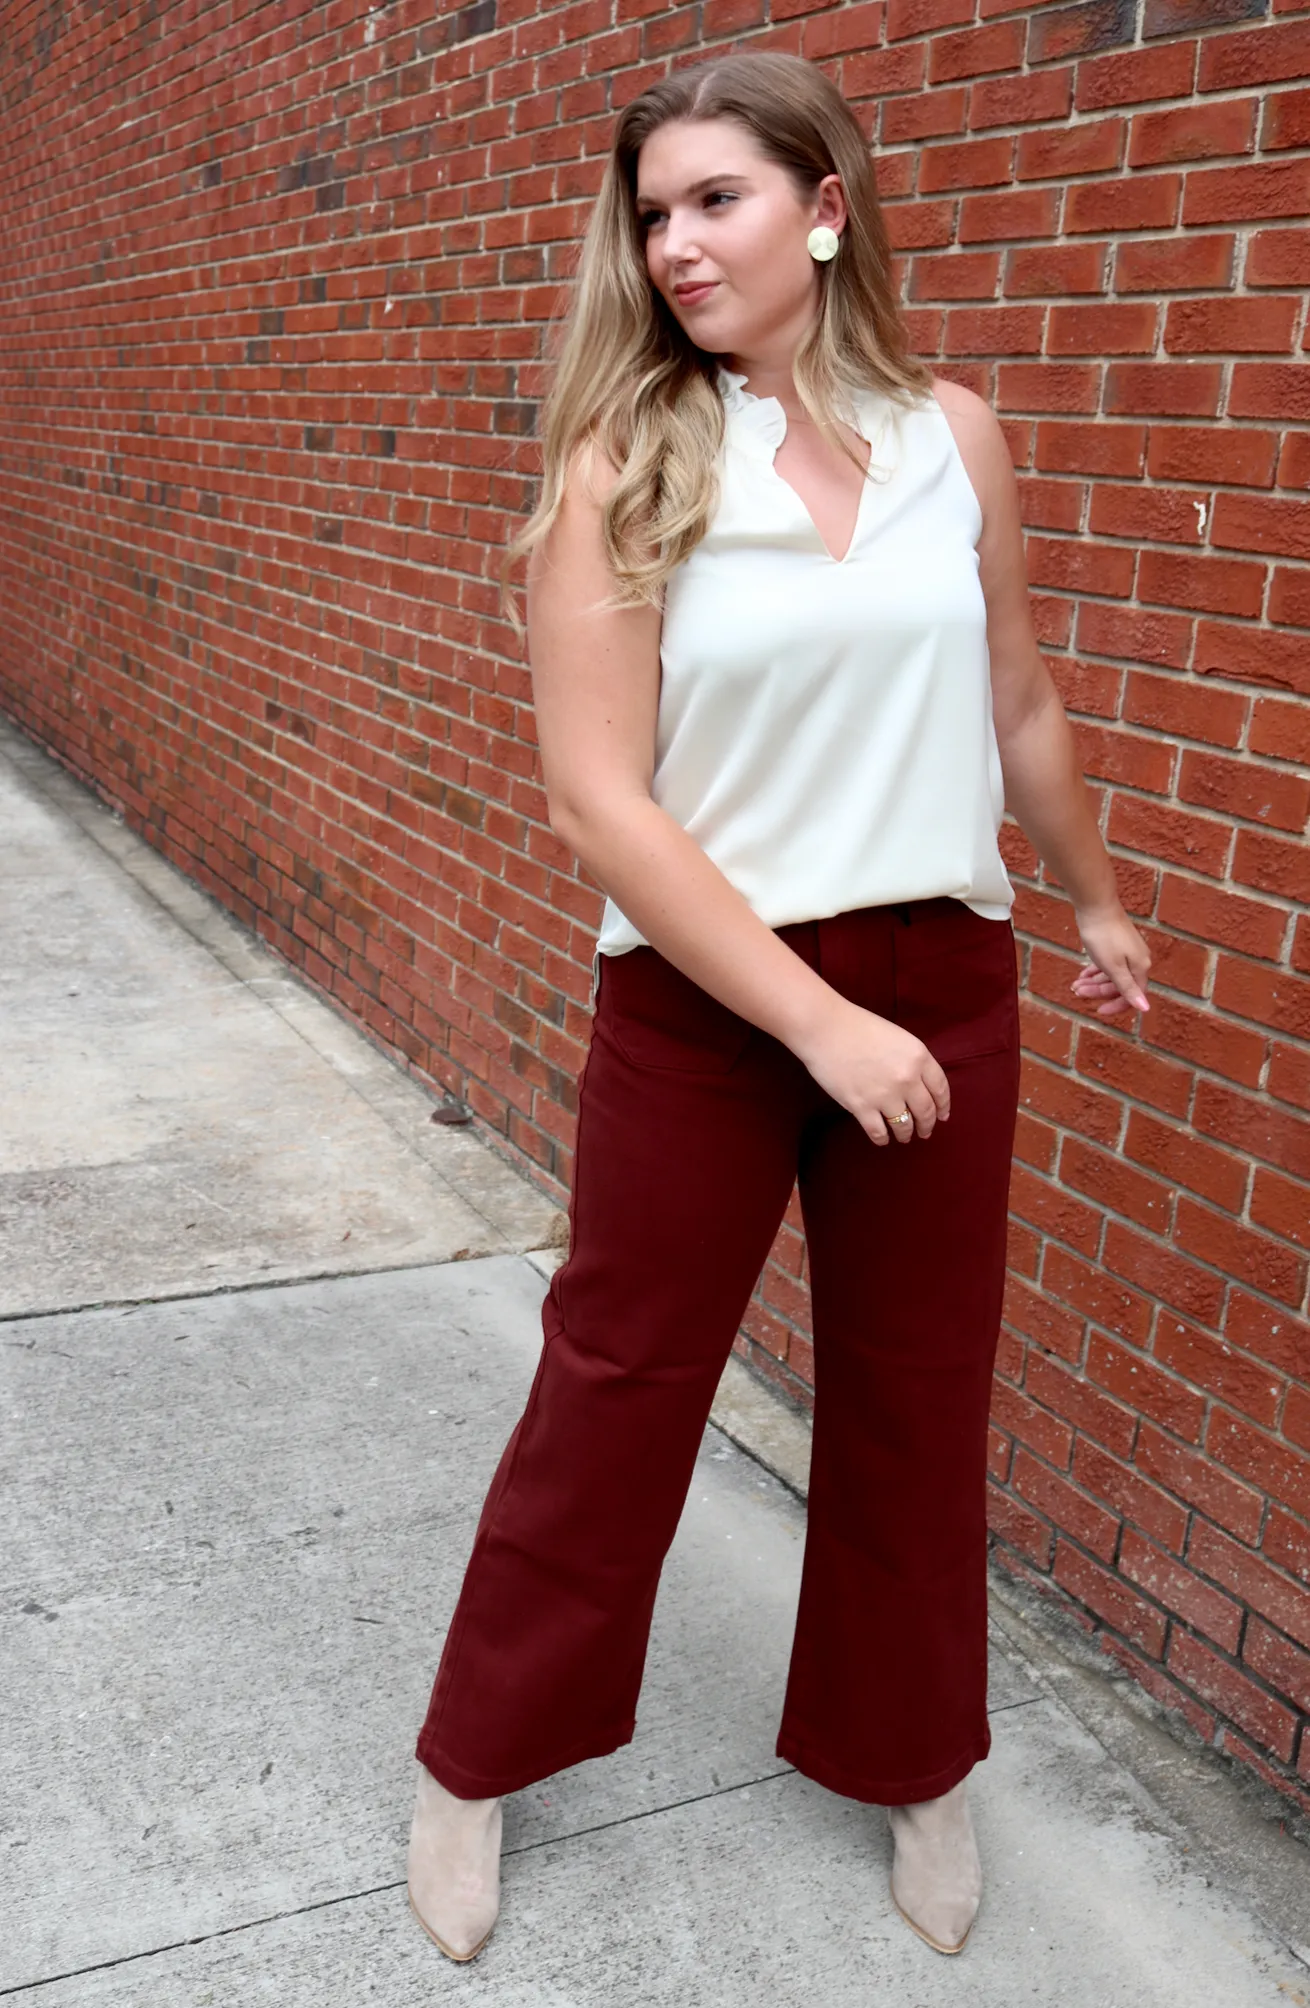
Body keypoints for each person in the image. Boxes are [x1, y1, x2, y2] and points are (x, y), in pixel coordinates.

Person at [404, 47, 1151, 1966]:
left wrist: (1091, 892)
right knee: (620, 1386)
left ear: (826, 205)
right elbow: (601, 798)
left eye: (713, 200)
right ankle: (472, 1759)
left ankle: (915, 1763)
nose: (672, 245)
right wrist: (814, 1026)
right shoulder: (626, 464)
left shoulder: (950, 434)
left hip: (943, 978)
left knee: (915, 1405)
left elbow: (1018, 701)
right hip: (708, 1002)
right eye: (649, 215)